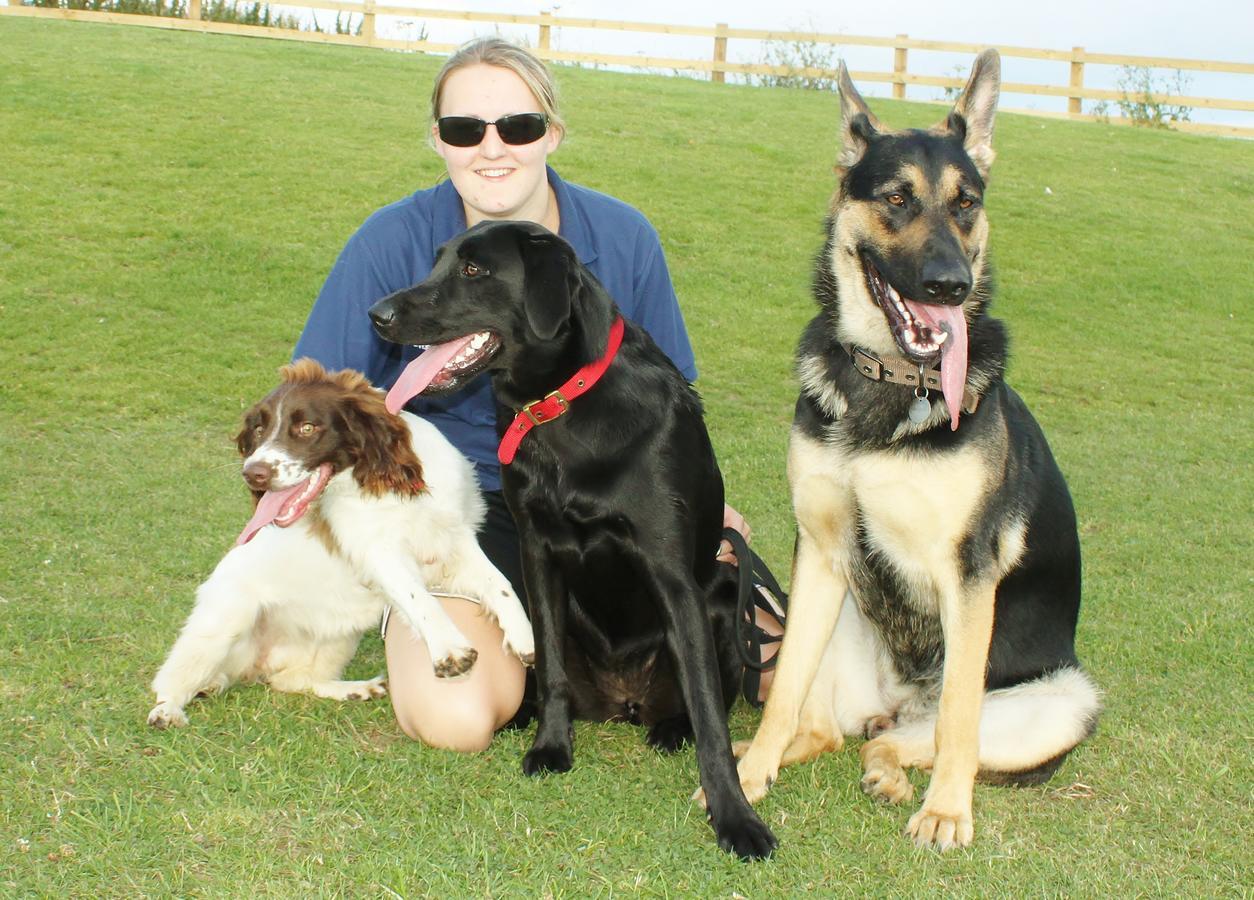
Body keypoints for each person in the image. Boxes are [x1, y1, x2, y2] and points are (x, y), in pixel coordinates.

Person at [293, 37, 777, 752]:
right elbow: (317, 403)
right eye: (465, 129)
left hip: (616, 513)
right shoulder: (391, 242)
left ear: (552, 132)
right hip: (468, 517)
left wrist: (702, 512)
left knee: (790, 675)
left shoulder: (621, 236)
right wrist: (360, 520)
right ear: (439, 141)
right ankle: (503, 653)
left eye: (517, 126)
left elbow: (672, 404)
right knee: (455, 720)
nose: (492, 148)